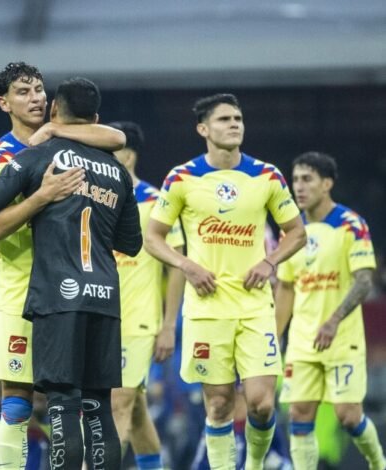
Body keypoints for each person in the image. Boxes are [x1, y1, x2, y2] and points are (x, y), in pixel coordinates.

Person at [0, 77, 142, 470]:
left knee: (65, 402)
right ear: (4, 103)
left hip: (55, 290)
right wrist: (43, 198)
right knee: (20, 397)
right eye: (23, 92)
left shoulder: (55, 149)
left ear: (54, 108)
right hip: (26, 289)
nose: (35, 98)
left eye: (39, 91)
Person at [144, 93, 307, 470]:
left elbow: (296, 232)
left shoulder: (266, 175)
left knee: (262, 403)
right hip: (207, 307)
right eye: (224, 120)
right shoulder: (182, 177)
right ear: (203, 129)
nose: (234, 124)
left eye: (238, 118)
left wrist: (270, 261)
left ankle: (253, 464)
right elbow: (153, 238)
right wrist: (186, 266)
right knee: (217, 404)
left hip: (253, 306)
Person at [275, 151, 385, 470]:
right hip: (302, 340)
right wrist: (272, 340)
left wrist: (334, 320)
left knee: (348, 416)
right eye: (295, 180)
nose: (298, 187)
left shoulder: (351, 225)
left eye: (307, 179)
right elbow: (286, 288)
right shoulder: (290, 233)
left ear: (327, 184)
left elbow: (365, 280)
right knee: (298, 413)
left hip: (341, 338)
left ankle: (378, 462)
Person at [107, 121, 186, 470]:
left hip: (137, 322)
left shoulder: (157, 203)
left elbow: (178, 266)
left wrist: (169, 326)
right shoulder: (93, 202)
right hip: (98, 320)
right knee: (135, 407)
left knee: (118, 404)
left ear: (127, 155)